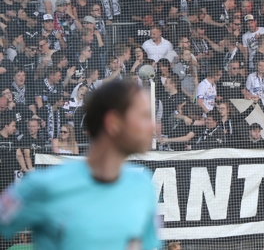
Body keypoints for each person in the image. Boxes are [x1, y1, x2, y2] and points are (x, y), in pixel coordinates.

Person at [0, 80, 158, 249]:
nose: (153, 127)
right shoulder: (45, 186)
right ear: (113, 123)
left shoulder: (143, 186)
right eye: (144, 116)